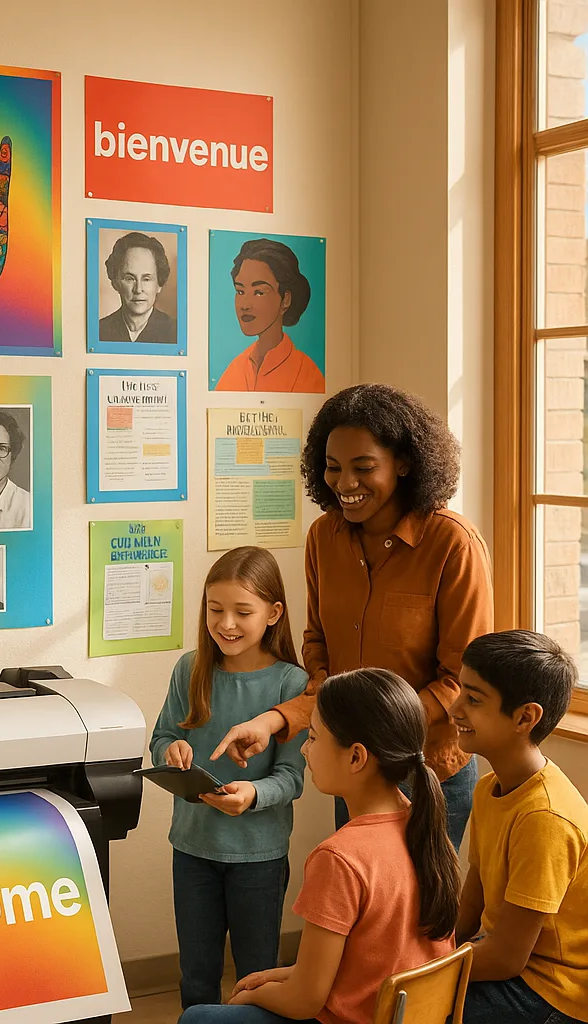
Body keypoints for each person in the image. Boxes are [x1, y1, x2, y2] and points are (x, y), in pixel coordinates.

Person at [212, 384, 493, 851]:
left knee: (418, 917)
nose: (344, 484)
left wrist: (375, 726)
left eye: (363, 468)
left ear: (403, 464)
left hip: (429, 773)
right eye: (333, 467)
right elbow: (319, 648)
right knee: (363, 908)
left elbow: (463, 677)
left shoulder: (452, 544)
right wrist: (276, 720)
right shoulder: (323, 537)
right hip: (353, 765)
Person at [180, 669, 460, 1024]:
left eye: (312, 737)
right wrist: (279, 976)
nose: (305, 748)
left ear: (356, 757)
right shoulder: (422, 824)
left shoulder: (340, 857)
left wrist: (252, 996)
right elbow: (369, 961)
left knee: (198, 1018)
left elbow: (303, 1003)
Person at [150, 547, 308, 1009]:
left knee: (257, 973)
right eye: (215, 610)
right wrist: (170, 749)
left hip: (258, 857)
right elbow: (162, 736)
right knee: (196, 972)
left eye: (243, 612)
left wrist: (254, 794)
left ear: (274, 613)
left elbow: (292, 776)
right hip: (192, 848)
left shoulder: (289, 684)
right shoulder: (190, 668)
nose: (226, 624)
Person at [451, 631, 588, 1024]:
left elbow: (508, 958)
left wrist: (421, 967)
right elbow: (473, 902)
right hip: (500, 958)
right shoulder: (487, 787)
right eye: (461, 691)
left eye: (473, 699)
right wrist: (437, 947)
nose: (455, 707)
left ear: (525, 718)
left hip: (551, 990)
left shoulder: (544, 818)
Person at [215, 238, 324, 393]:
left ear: (285, 299)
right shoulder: (236, 368)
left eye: (259, 292)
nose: (245, 305)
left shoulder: (306, 373)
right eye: (240, 291)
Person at [98, 232, 177, 344]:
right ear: (115, 283)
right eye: (130, 278)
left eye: (146, 279)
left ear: (159, 285)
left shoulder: (175, 332)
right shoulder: (99, 330)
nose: (138, 289)